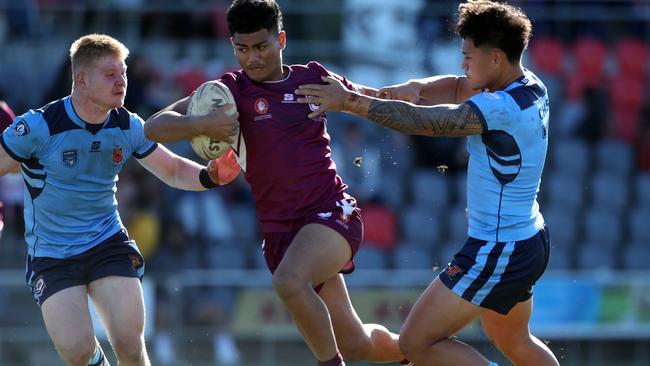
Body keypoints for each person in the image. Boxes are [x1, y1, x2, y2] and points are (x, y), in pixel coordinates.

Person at [144, 1, 410, 365]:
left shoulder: (311, 79)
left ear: (281, 39)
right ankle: (421, 349)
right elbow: (153, 127)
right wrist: (199, 125)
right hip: (282, 234)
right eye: (241, 49)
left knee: (289, 283)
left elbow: (371, 101)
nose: (251, 58)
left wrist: (411, 102)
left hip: (332, 212)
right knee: (356, 344)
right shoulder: (230, 92)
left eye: (261, 46)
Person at [295, 1, 560, 365]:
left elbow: (432, 123)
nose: (462, 64)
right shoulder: (530, 86)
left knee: (415, 343)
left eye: (468, 56)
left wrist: (351, 103)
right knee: (515, 341)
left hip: (499, 249)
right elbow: (455, 88)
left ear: (496, 58)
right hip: (529, 239)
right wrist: (415, 86)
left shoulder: (500, 107)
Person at [0, 34, 238, 366]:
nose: (122, 81)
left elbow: (170, 169)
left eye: (123, 72)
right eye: (111, 74)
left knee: (129, 342)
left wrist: (211, 175)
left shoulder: (128, 124)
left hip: (107, 242)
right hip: (52, 254)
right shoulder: (39, 126)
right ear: (81, 80)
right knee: (77, 350)